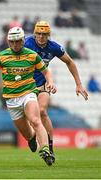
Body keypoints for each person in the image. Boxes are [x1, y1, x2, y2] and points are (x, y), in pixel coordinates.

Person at [0, 27, 57, 166]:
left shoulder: (32, 55)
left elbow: (46, 72)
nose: (15, 45)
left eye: (18, 41)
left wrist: (51, 82)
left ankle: (45, 150)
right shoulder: (1, 57)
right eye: (12, 42)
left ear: (23, 40)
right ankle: (32, 138)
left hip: (28, 93)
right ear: (8, 41)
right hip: (11, 99)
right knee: (27, 134)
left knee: (36, 120)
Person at [24, 21, 88, 163]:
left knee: (42, 111)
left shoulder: (54, 47)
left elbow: (70, 62)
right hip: (25, 85)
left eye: (44, 34)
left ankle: (50, 148)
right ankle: (32, 136)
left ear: (48, 35)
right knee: (30, 117)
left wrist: (78, 84)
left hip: (43, 83)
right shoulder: (26, 43)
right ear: (35, 34)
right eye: (39, 34)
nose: (41, 37)